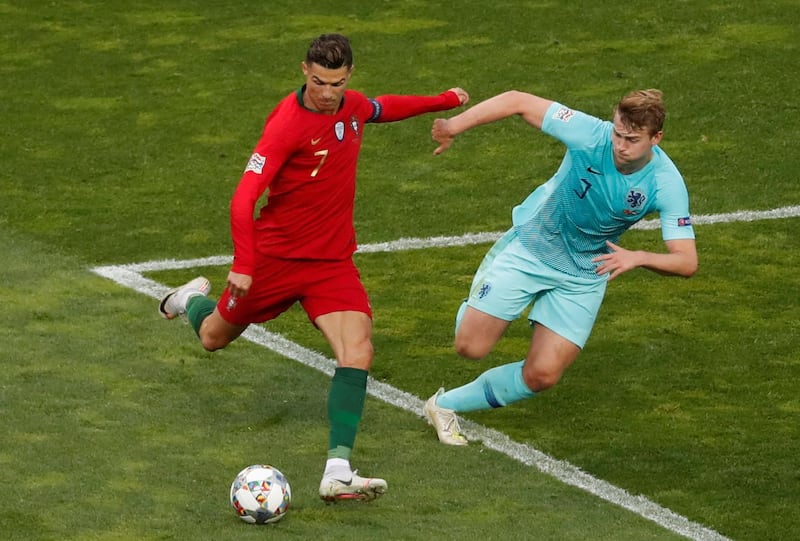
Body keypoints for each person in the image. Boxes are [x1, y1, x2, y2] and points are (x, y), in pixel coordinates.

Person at [159, 33, 469, 499]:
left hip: (330, 262)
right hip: (274, 259)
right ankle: (190, 300)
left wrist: (445, 101)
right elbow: (244, 198)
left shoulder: (351, 105)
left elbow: (383, 107)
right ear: (305, 70)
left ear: (348, 78)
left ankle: (337, 470)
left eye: (337, 84)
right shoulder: (286, 125)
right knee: (212, 338)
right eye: (321, 82)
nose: (328, 94)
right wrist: (244, 263)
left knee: (358, 351)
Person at [423, 89, 697, 445]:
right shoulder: (589, 133)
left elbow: (686, 261)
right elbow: (517, 101)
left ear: (656, 138)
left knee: (542, 375)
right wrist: (453, 125)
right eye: (617, 133)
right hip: (533, 247)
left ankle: (443, 405)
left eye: (632, 139)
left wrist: (639, 257)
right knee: (470, 348)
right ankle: (482, 300)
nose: (619, 145)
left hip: (585, 272)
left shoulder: (665, 182)